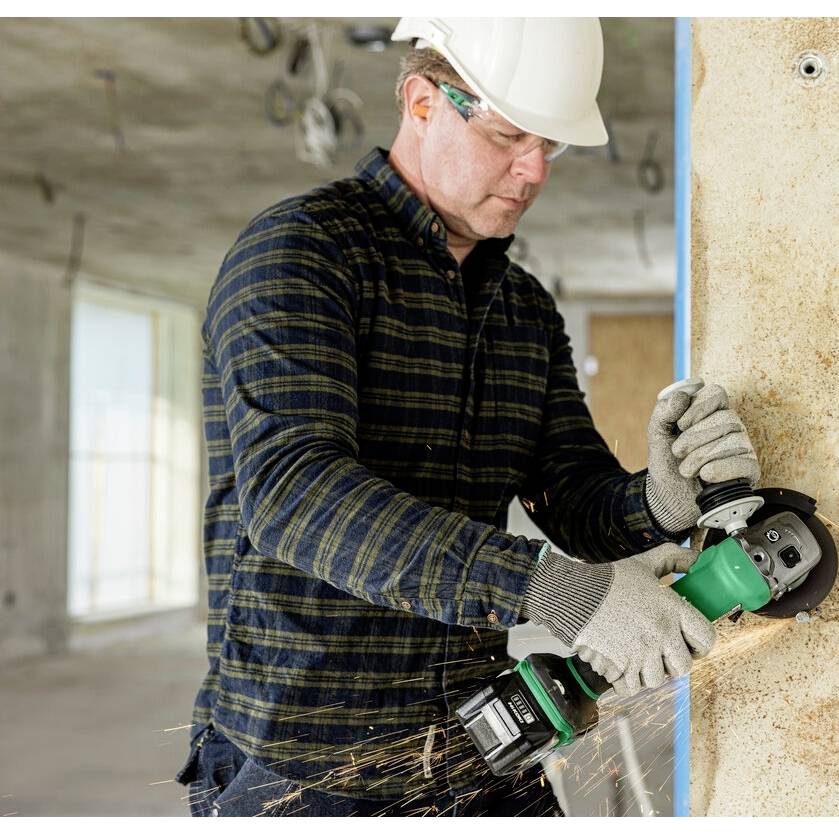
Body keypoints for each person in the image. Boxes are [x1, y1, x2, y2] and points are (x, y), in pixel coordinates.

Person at [176, 17, 760, 817]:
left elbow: (571, 498)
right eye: (508, 133)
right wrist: (557, 591)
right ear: (421, 101)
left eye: (548, 145)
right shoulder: (301, 252)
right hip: (304, 765)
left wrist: (658, 499)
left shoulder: (520, 307)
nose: (531, 170)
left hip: (479, 745)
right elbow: (294, 497)